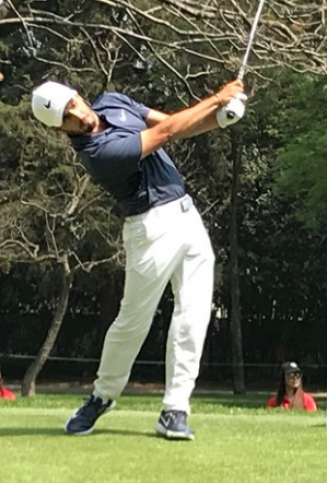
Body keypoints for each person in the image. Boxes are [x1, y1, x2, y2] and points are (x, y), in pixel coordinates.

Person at [30, 77, 247, 440]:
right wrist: (215, 99)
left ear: (77, 96)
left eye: (73, 105)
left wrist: (222, 117)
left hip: (186, 216)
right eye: (67, 118)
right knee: (132, 323)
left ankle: (175, 409)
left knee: (193, 316)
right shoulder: (96, 154)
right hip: (150, 229)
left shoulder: (115, 100)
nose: (77, 116)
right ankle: (102, 396)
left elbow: (176, 125)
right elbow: (163, 135)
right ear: (59, 129)